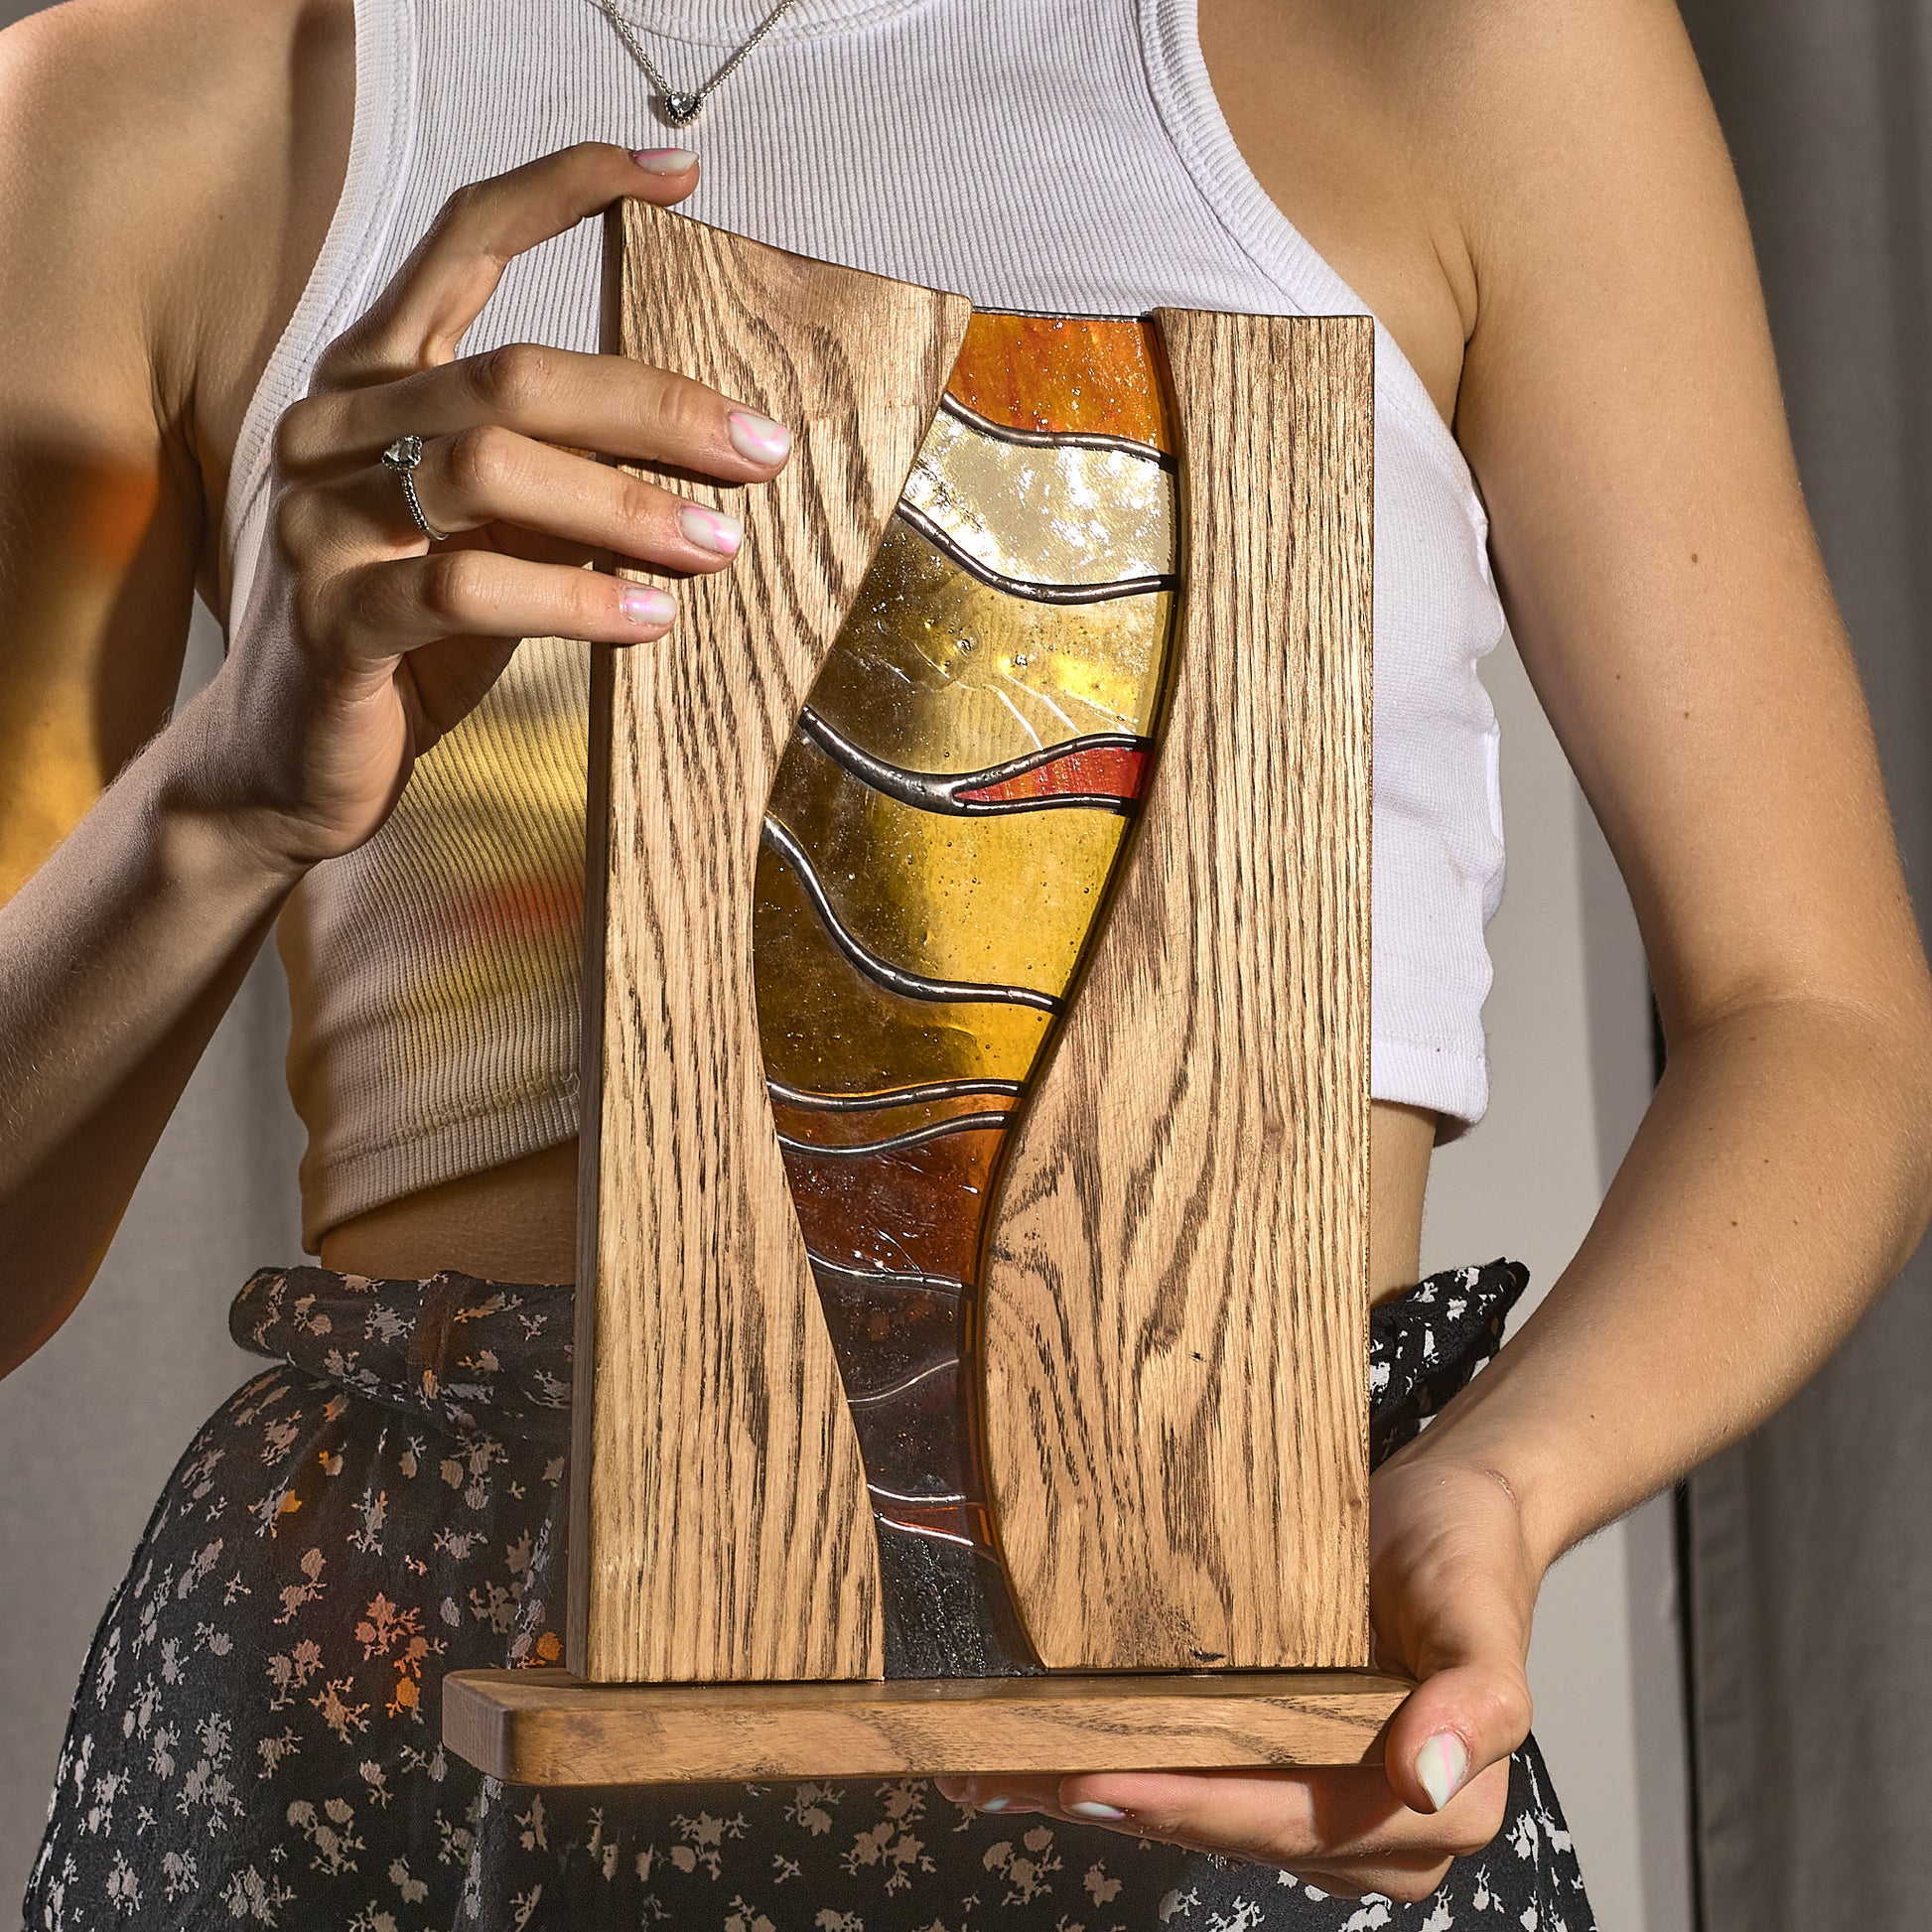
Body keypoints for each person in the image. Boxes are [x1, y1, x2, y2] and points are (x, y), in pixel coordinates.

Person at [3, 0, 1928, 1924]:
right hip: (393, 1713)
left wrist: (1501, 1483)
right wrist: (227, 794)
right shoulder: (137, 109)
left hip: (1248, 1689)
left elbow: (1811, 1010)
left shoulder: (1467, 42)